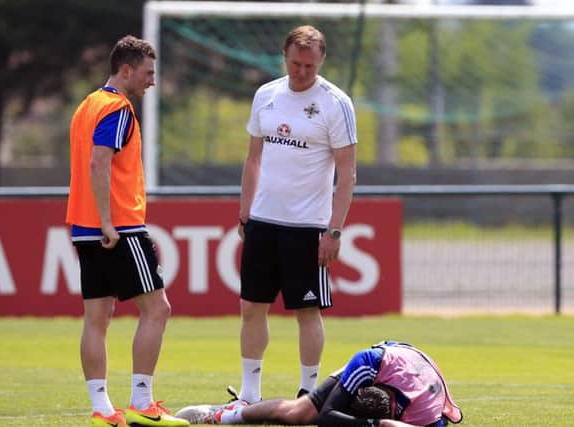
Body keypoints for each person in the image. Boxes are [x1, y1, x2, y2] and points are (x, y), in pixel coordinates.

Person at [66, 35, 189, 427]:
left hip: (84, 226)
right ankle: (142, 402)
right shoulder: (118, 109)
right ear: (126, 70)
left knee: (96, 318)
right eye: (148, 73)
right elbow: (99, 163)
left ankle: (102, 409)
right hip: (116, 226)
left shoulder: (88, 104)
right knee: (158, 308)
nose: (152, 80)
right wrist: (108, 222)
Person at [235, 24, 358, 403]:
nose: (300, 71)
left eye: (308, 65)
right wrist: (245, 214)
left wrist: (334, 231)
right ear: (284, 58)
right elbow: (254, 157)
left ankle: (309, 392)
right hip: (263, 221)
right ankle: (249, 392)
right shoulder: (266, 95)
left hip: (307, 227)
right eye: (294, 63)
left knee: (307, 310)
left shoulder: (336, 103)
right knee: (252, 307)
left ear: (321, 60)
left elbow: (347, 172)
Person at [175, 341, 463, 427]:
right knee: (300, 413)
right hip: (385, 360)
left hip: (410, 368)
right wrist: (377, 426)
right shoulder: (366, 363)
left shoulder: (425, 417)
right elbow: (326, 418)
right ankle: (225, 414)